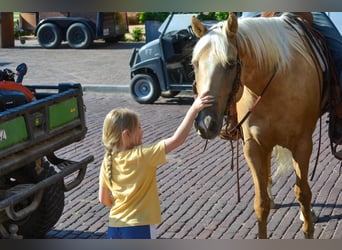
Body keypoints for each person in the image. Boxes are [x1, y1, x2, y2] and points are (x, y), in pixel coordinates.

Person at [98, 93, 214, 239]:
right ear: (126, 134)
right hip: (140, 227)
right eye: (139, 127)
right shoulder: (143, 155)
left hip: (115, 227)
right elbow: (177, 140)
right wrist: (193, 110)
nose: (142, 131)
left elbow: (103, 199)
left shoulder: (107, 159)